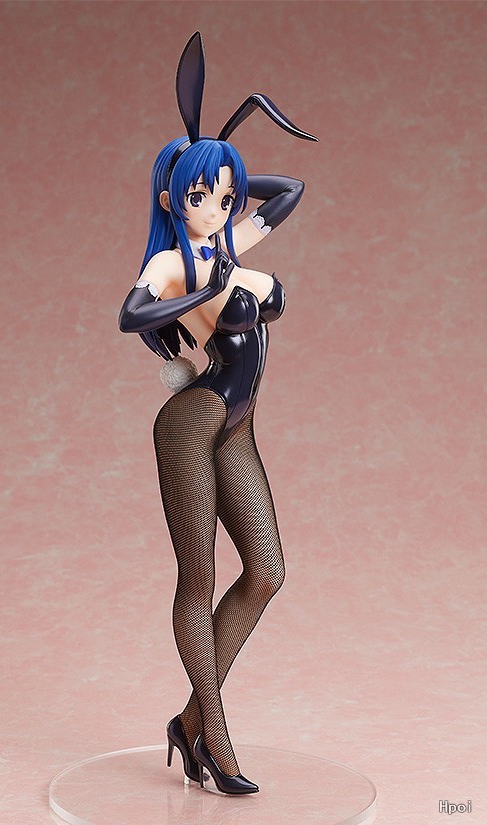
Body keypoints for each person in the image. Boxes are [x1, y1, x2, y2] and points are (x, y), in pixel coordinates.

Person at [118, 33, 317, 795]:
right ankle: (216, 737)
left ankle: (188, 720)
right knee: (197, 579)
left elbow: (290, 188)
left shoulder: (233, 236)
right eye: (199, 196)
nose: (217, 208)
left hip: (237, 421)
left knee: (267, 571)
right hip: (193, 418)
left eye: (225, 197)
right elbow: (131, 313)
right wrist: (206, 290)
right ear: (173, 198)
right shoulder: (174, 262)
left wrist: (220, 162)